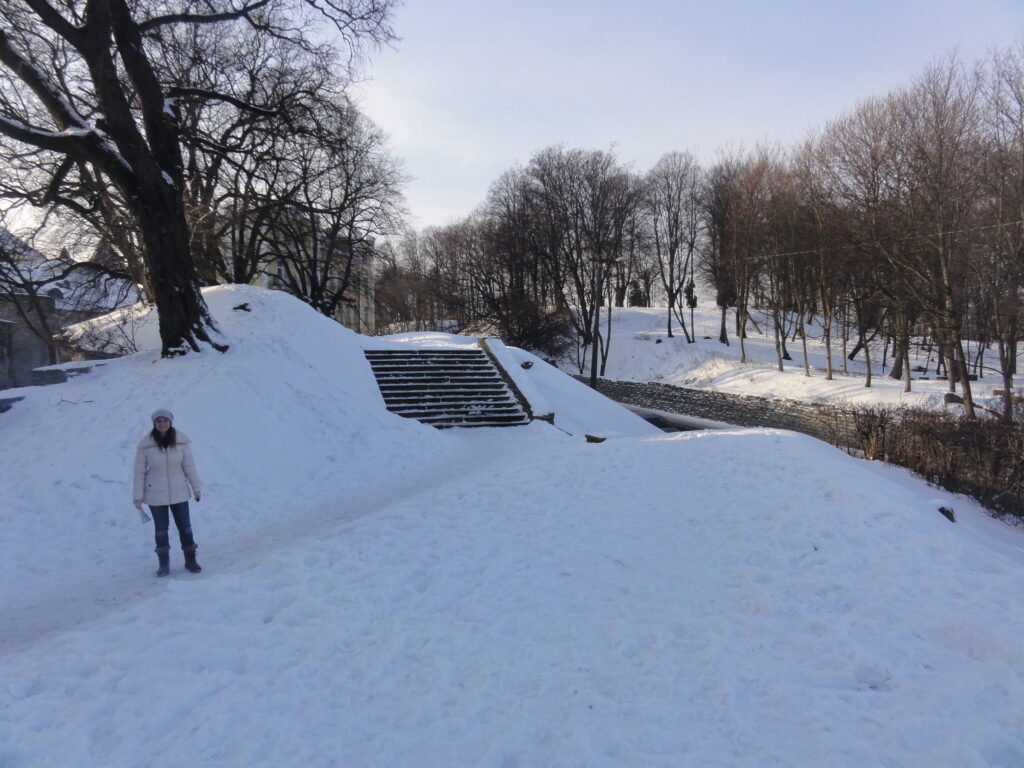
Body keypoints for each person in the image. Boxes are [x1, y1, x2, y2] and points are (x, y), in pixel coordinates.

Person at [133, 408, 204, 576]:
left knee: (185, 527)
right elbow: (139, 472)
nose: (162, 424)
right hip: (155, 494)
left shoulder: (181, 443)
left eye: (165, 421)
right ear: (154, 423)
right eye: (159, 421)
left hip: (179, 492)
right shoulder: (145, 445)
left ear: (170, 422)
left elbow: (189, 467)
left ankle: (191, 561)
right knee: (161, 530)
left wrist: (196, 488)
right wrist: (137, 496)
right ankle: (163, 565)